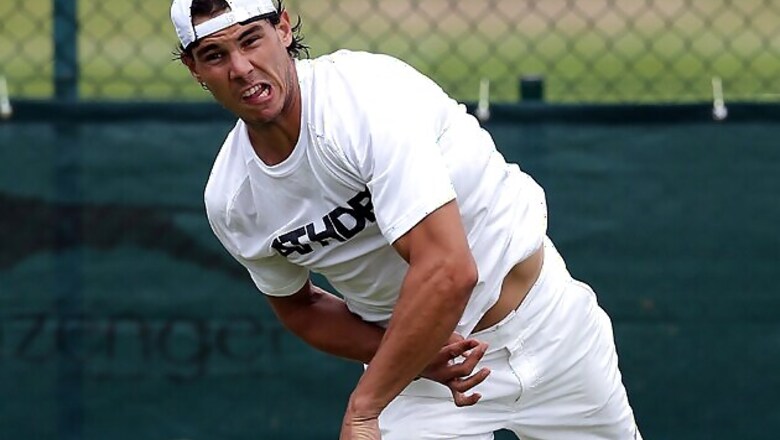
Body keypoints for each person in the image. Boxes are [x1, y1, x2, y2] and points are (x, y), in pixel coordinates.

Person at [170, 0, 643, 438]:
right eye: (215, 55)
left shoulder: (362, 99)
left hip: (552, 329)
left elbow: (449, 269)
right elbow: (300, 307)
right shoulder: (233, 200)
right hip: (423, 382)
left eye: (251, 40)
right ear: (194, 69)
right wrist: (413, 359)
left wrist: (364, 407)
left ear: (283, 28)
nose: (240, 67)